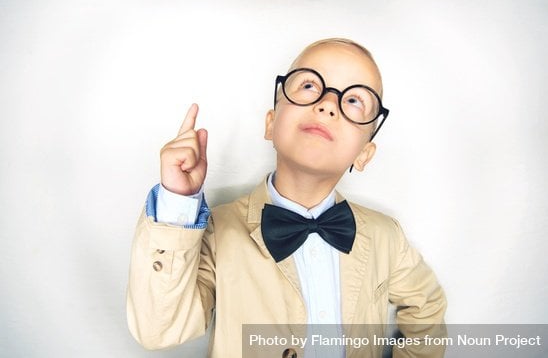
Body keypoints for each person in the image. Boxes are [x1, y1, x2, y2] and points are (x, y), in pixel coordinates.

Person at [127, 38, 447, 358]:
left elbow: (427, 308)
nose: (327, 105)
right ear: (271, 123)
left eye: (353, 101)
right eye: (309, 84)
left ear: (364, 154)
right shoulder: (218, 231)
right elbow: (158, 331)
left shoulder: (387, 236)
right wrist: (177, 199)